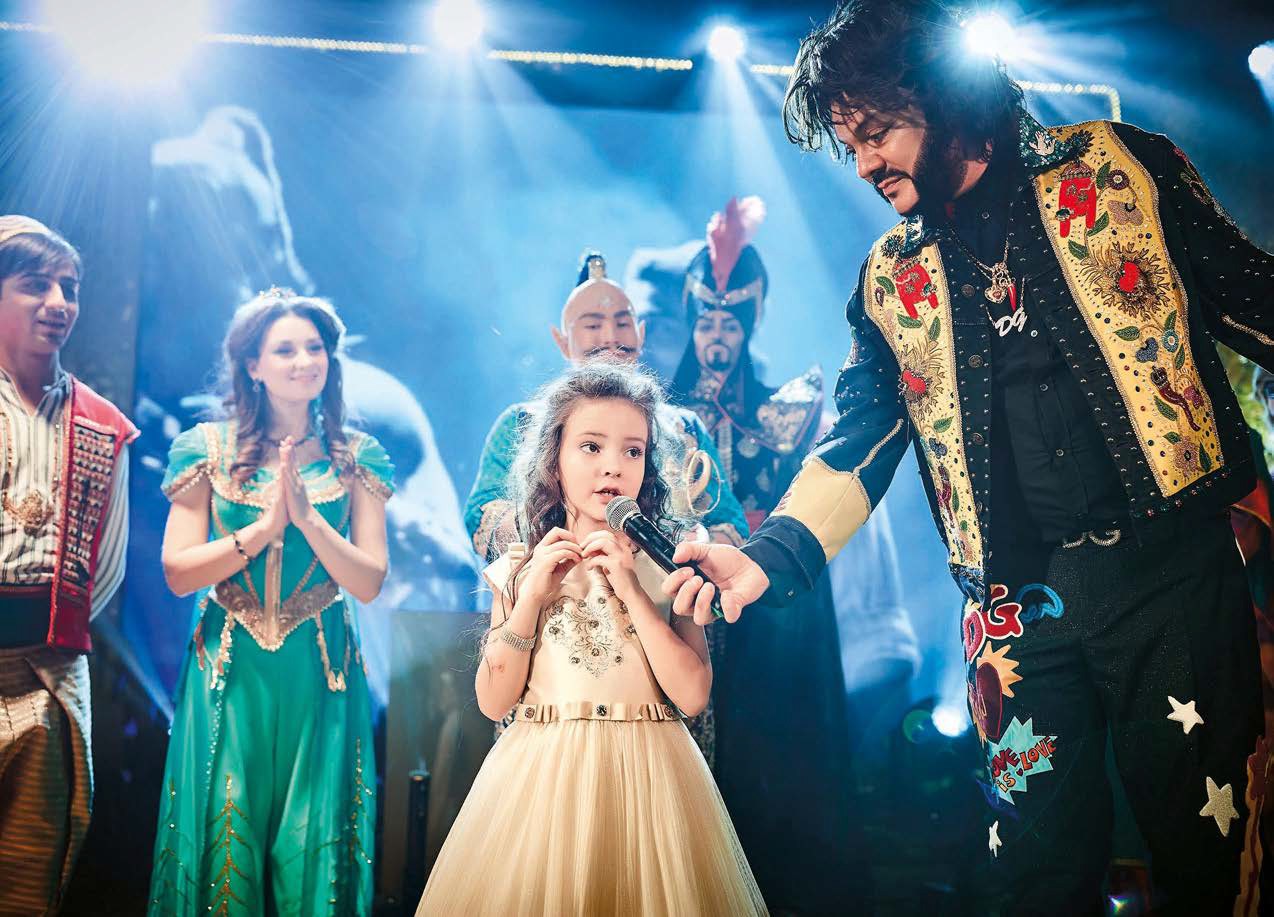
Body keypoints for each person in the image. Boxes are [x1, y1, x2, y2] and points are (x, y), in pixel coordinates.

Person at [663, 1, 1272, 912]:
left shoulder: (1121, 169)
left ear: (944, 98)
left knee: (1211, 858)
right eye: (850, 145)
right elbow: (858, 439)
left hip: (1172, 579)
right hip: (1016, 612)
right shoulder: (890, 279)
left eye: (877, 132)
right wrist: (763, 558)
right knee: (1031, 876)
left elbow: (1255, 302)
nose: (864, 165)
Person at [418, 361, 765, 916]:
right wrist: (530, 598)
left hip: (650, 778)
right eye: (591, 447)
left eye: (633, 451)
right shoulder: (521, 566)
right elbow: (494, 701)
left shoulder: (670, 565)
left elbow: (692, 695)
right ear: (553, 460)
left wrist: (630, 587)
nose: (613, 466)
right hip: (542, 779)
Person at [147, 288, 394, 915]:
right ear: (252, 365)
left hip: (320, 665)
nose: (304, 361)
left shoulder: (357, 458)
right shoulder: (206, 448)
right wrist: (262, 531)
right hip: (231, 666)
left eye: (315, 348)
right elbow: (178, 571)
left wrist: (308, 520)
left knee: (312, 839)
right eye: (285, 350)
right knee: (227, 828)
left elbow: (368, 581)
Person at [464, 251, 747, 769]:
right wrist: (538, 563)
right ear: (562, 339)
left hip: (657, 705)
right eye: (592, 324)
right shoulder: (524, 423)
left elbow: (727, 522)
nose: (609, 335)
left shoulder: (681, 427)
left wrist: (683, 554)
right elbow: (484, 515)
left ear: (641, 332)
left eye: (621, 321)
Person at [669, 197, 864, 912]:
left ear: (748, 326)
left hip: (766, 614)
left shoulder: (786, 410)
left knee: (774, 760)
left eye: (730, 324)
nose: (718, 336)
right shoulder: (662, 411)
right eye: (707, 322)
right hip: (684, 598)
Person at [0, 215, 137, 914]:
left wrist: (46, 631)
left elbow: (103, 569)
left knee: (27, 877)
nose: (58, 302)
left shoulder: (102, 423)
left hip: (48, 675)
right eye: (35, 284)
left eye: (70, 287)